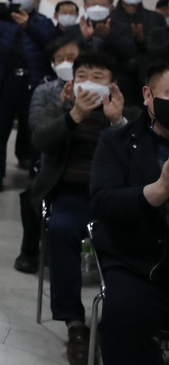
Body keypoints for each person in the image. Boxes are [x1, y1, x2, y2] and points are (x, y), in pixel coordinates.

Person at [31, 50, 138, 365]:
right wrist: (72, 115)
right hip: (72, 197)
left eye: (97, 78)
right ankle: (75, 324)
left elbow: (139, 158)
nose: (89, 84)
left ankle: (114, 322)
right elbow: (40, 140)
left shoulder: (128, 114)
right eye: (82, 77)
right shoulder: (60, 108)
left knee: (134, 241)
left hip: (116, 200)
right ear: (72, 82)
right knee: (62, 230)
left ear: (112, 85)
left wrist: (118, 120)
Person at [90, 58, 169, 365]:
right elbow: (104, 204)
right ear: (148, 95)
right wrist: (158, 191)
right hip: (137, 264)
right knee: (123, 324)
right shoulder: (118, 141)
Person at [0, 0, 57, 194]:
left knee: (33, 130)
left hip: (34, 83)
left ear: (36, 0)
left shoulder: (44, 22)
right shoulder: (2, 20)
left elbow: (51, 45)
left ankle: (35, 176)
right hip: (5, 81)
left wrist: (28, 25)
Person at [14, 36, 83, 274]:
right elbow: (37, 129)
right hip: (53, 163)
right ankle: (29, 249)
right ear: (53, 64)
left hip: (88, 163)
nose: (66, 63)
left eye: (71, 58)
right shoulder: (44, 91)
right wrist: (66, 109)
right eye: (60, 59)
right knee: (31, 193)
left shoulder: (97, 90)